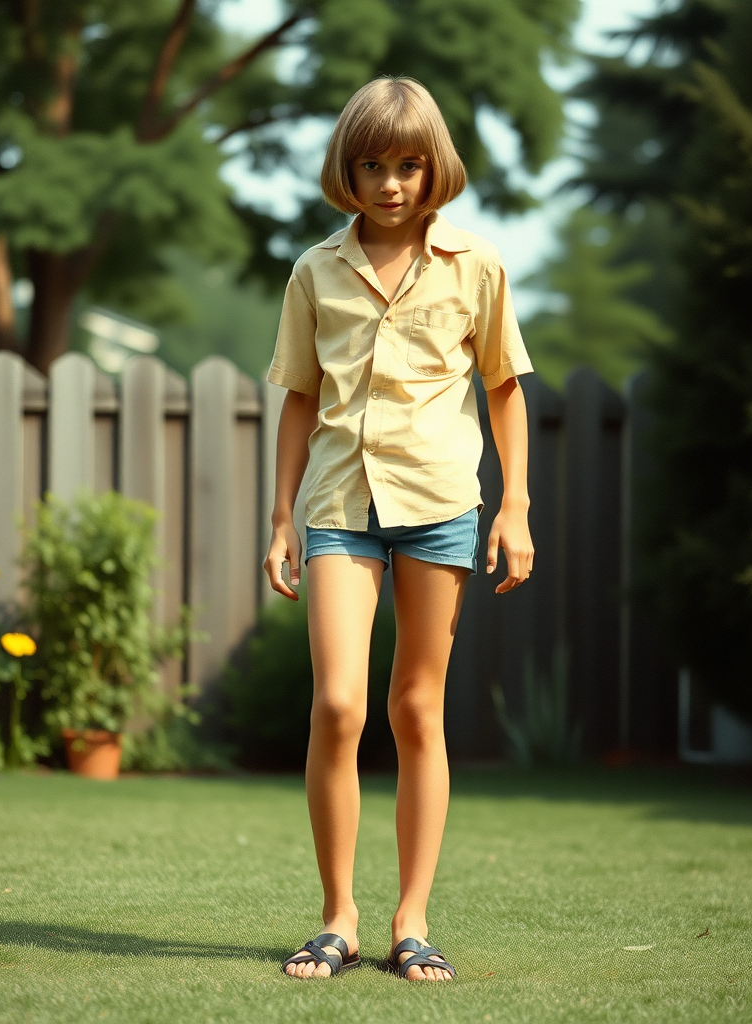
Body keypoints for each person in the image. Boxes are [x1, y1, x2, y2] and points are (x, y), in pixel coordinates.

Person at [263, 77, 534, 983]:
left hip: (442, 507)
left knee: (417, 708)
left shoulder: (477, 266)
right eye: (372, 165)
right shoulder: (314, 271)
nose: (388, 183)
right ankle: (335, 917)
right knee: (339, 704)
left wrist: (517, 508)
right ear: (350, 169)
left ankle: (410, 920)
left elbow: (504, 389)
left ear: (433, 169)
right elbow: (300, 397)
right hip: (339, 508)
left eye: (407, 165)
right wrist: (279, 520)